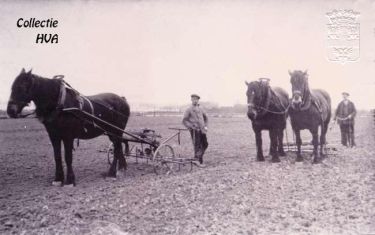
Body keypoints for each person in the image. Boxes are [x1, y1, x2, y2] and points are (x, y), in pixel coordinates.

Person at [182, 94, 209, 167]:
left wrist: (206, 126)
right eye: (193, 99)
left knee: (205, 144)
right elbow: (184, 120)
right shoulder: (189, 109)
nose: (195, 101)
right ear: (191, 100)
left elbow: (206, 118)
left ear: (198, 100)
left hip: (202, 130)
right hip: (195, 130)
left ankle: (196, 159)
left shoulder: (201, 108)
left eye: (196, 99)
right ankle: (199, 161)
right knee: (197, 145)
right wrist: (191, 126)